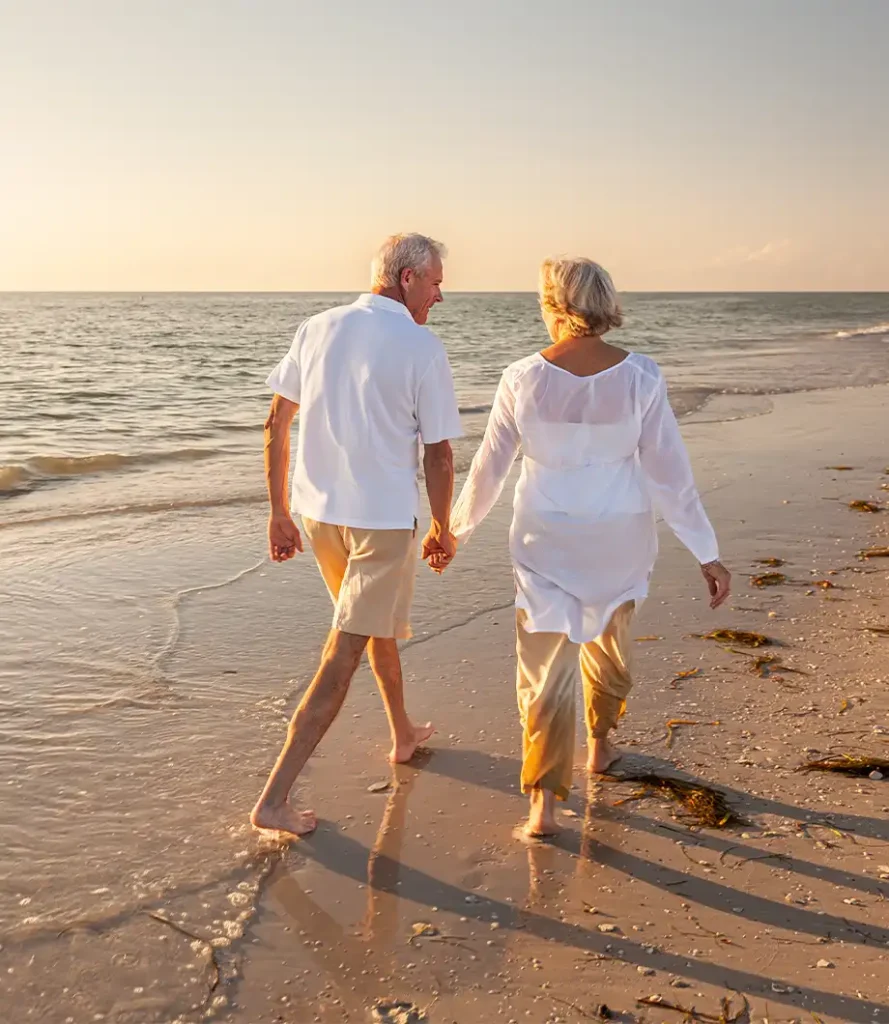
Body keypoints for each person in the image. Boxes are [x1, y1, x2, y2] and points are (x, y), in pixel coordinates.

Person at [440, 257, 731, 838]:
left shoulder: (522, 376)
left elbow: (489, 471)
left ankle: (543, 806)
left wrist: (454, 531)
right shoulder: (643, 376)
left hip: (545, 538)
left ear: (554, 305)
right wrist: (707, 551)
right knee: (609, 646)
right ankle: (599, 748)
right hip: (620, 539)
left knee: (544, 669)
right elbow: (670, 475)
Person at [251, 233, 463, 837]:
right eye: (436, 282)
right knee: (344, 649)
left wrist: (279, 512)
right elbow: (440, 454)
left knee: (374, 627)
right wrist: (445, 527)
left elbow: (276, 423)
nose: (441, 295)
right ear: (407, 279)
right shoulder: (421, 346)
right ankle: (273, 799)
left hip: (318, 515)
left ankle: (401, 733)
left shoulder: (316, 327)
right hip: (381, 524)